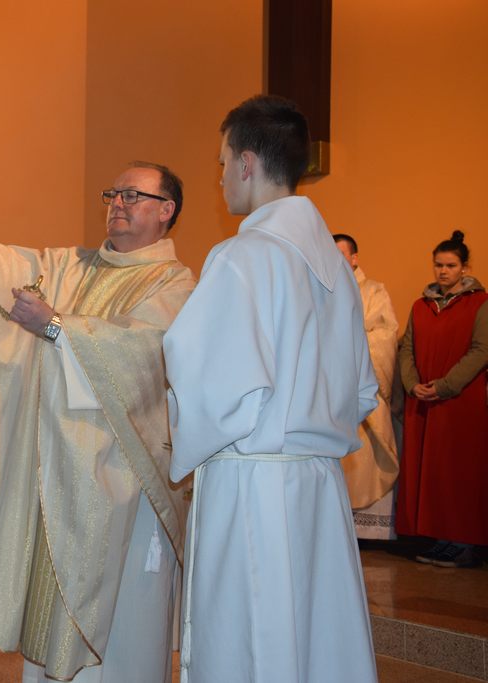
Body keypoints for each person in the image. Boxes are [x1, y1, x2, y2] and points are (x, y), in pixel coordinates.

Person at [0, 162, 195, 683]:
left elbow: (147, 352)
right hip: (58, 473)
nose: (117, 203)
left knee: (124, 624)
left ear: (166, 210)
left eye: (132, 195)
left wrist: (55, 326)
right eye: (113, 193)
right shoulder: (73, 266)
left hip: (125, 478)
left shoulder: (175, 281)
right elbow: (19, 264)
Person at [163, 96, 379, 683]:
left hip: (254, 486)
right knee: (315, 643)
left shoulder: (243, 256)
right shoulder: (337, 269)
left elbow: (211, 385)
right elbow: (363, 390)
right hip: (320, 487)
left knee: (252, 642)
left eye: (222, 162)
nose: (220, 177)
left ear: (247, 163)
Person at [397, 230, 488, 569]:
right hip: (423, 400)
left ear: (465, 268)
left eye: (450, 265)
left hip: (459, 400)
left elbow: (482, 350)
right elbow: (407, 348)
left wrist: (446, 385)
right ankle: (440, 537)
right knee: (431, 471)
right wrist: (412, 384)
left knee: (458, 470)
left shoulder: (480, 303)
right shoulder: (420, 306)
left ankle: (463, 542)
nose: (443, 271)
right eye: (438, 265)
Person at [333, 233, 401, 539]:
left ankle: (366, 532)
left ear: (354, 258)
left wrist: (351, 359)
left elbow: (384, 335)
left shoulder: (374, 291)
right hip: (330, 392)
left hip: (361, 385)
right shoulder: (318, 289)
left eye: (340, 254)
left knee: (365, 460)